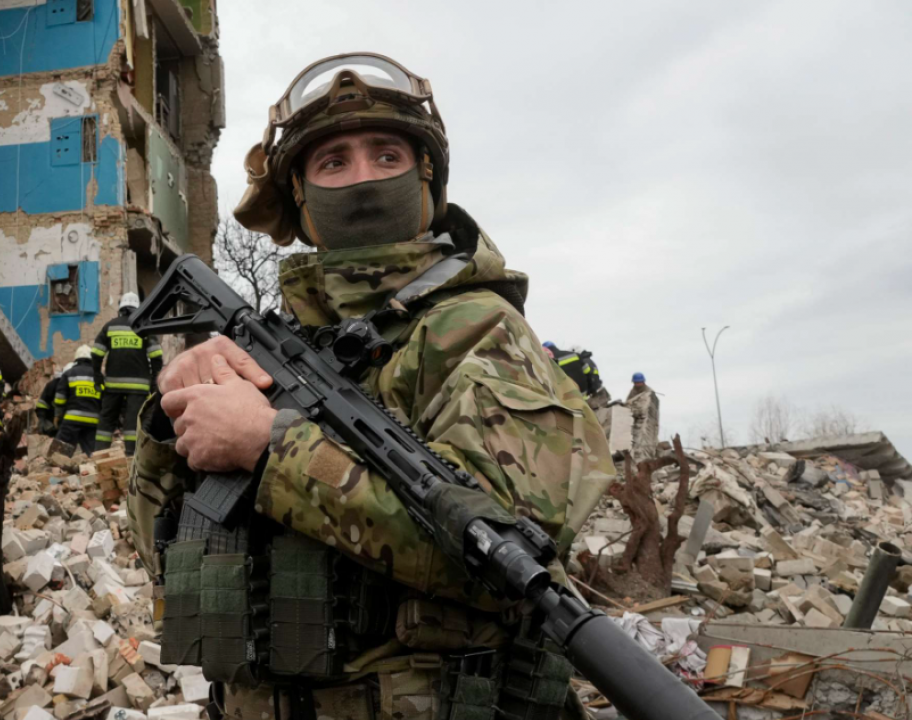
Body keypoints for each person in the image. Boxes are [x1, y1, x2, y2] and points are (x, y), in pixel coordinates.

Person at [127, 54, 615, 719]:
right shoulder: (267, 348)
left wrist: (272, 450)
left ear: (426, 180)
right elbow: (166, 557)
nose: (361, 179)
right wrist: (170, 422)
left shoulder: (473, 330)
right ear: (298, 195)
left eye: (386, 156)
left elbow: (511, 562)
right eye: (333, 162)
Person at [91, 293, 163, 455]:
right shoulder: (144, 328)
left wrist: (97, 377)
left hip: (112, 385)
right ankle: (131, 456)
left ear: (121, 308)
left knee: (106, 421)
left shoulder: (110, 326)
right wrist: (154, 383)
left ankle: (99, 455)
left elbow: (96, 353)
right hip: (138, 386)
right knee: (132, 424)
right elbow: (156, 357)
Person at [53, 345, 101, 456]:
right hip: (93, 422)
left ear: (76, 359)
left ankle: (58, 470)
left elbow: (60, 398)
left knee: (60, 453)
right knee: (93, 454)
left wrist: (57, 415)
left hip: (72, 421)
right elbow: (105, 400)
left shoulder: (69, 374)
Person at [36, 365, 67, 437]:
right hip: (52, 420)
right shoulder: (53, 385)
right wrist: (42, 419)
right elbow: (42, 403)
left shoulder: (52, 384)